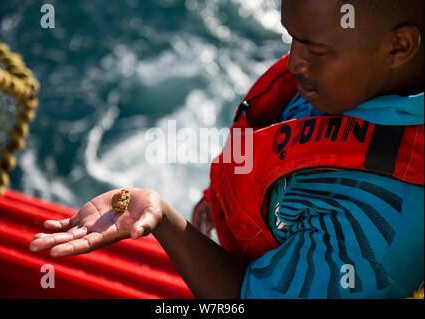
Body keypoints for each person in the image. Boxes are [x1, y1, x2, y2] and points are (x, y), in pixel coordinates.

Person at [30, 0, 424, 299]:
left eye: (315, 50)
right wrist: (218, 200)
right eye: (292, 38)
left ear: (399, 47)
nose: (292, 62)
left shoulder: (377, 228)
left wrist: (165, 218)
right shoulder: (348, 82)